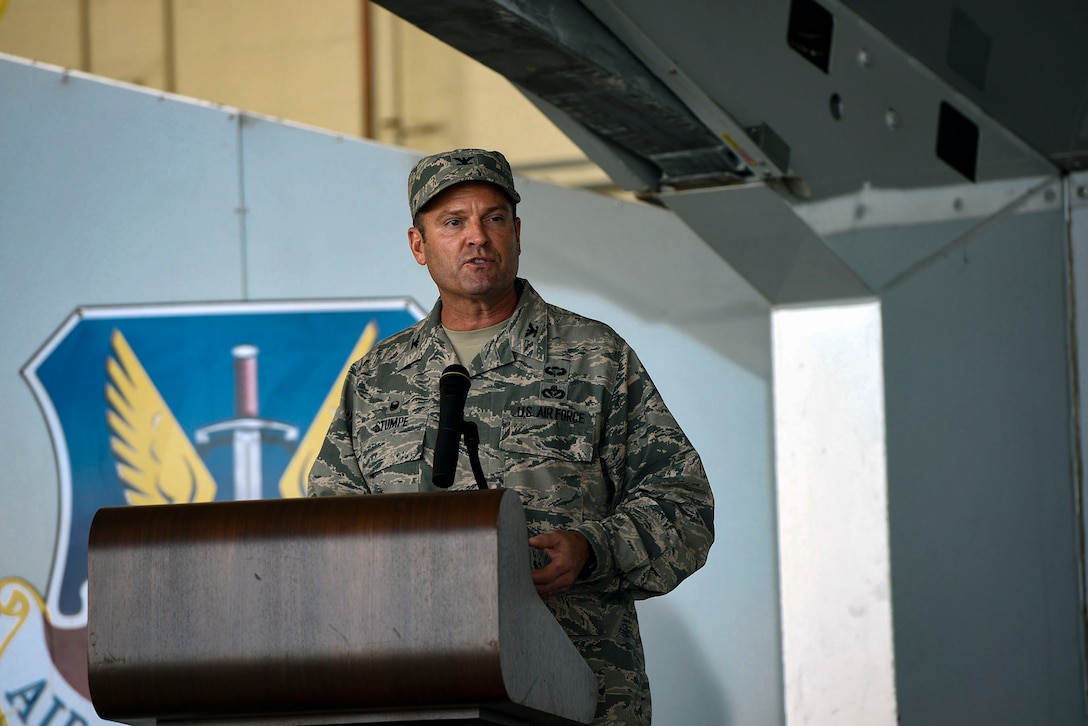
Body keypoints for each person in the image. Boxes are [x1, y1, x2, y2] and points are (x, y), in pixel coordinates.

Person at [308, 148, 714, 725]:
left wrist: (592, 548)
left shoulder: (594, 357)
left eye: (493, 218)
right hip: (420, 693)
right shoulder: (377, 377)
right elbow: (331, 531)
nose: (477, 237)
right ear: (419, 245)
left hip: (576, 693)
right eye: (453, 223)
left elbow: (684, 508)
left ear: (517, 233)